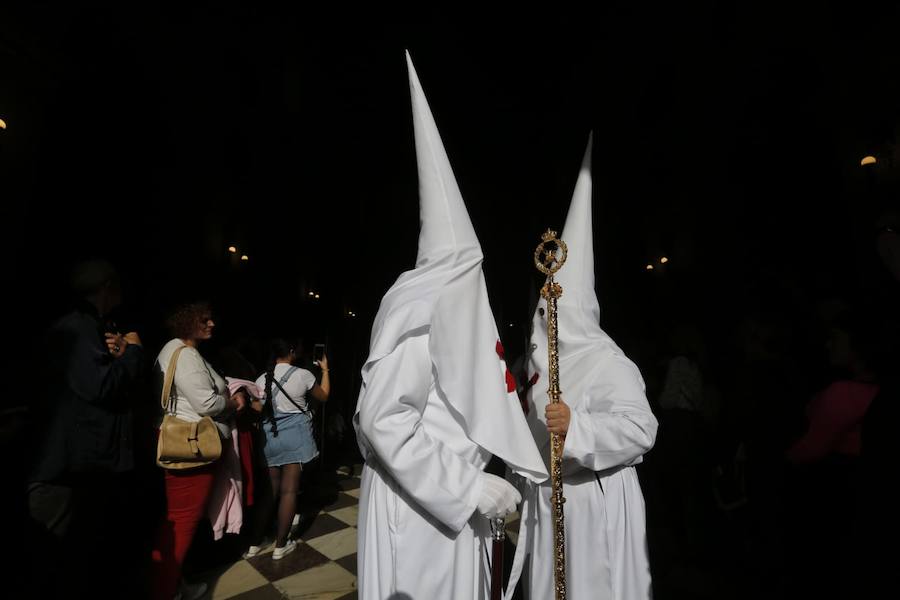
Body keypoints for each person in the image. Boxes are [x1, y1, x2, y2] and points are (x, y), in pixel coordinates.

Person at [354, 52, 548, 600]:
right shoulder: (421, 313)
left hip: (445, 507)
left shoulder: (442, 308)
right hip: (420, 514)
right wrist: (467, 486)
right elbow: (382, 420)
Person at [519, 137, 658, 600]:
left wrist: (579, 427)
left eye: (553, 310)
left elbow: (641, 428)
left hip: (591, 504)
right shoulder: (539, 370)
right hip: (546, 505)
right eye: (542, 310)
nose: (545, 321)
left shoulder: (608, 362)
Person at [26, 258, 145, 600]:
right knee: (54, 565)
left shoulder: (89, 325)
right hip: (62, 470)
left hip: (77, 467)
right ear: (107, 287)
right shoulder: (78, 327)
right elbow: (99, 387)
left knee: (72, 561)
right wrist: (133, 353)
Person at [150, 301, 247, 600]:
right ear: (186, 321)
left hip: (188, 444)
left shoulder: (173, 351)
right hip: (193, 449)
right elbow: (207, 404)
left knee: (178, 522)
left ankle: (177, 586)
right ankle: (166, 591)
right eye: (204, 319)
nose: (211, 324)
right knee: (183, 523)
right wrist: (233, 402)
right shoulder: (186, 354)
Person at [247, 338, 330, 560]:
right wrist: (325, 370)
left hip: (270, 438)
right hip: (295, 437)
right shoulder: (303, 375)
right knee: (289, 492)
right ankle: (281, 545)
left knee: (269, 494)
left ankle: (254, 544)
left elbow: (257, 407)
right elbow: (323, 395)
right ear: (292, 352)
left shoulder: (262, 377)